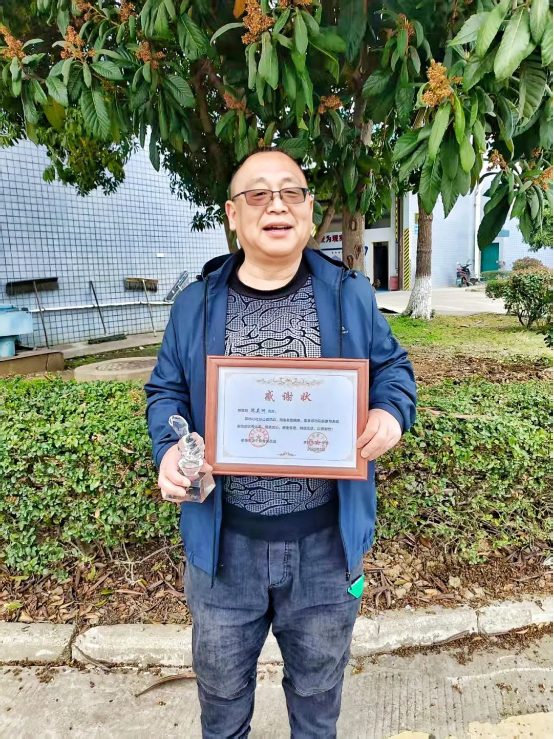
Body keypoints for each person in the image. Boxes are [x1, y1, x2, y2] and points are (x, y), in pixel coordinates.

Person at [145, 150, 417, 739]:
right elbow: (165, 391)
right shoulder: (195, 304)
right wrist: (168, 449)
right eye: (258, 193)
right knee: (221, 701)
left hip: (326, 550)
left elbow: (393, 369)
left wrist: (390, 413)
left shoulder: (349, 295)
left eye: (292, 192)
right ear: (232, 215)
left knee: (318, 701)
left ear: (310, 211)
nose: (277, 205)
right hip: (223, 551)